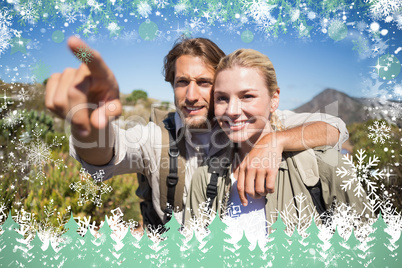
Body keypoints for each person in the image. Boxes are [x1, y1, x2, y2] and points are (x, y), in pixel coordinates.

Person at [45, 37, 348, 229]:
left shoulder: (248, 124)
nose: (191, 95)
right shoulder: (157, 138)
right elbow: (106, 155)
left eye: (204, 82)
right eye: (181, 82)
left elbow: (333, 127)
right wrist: (88, 128)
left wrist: (275, 140)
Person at [187, 49, 365, 244]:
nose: (232, 110)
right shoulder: (204, 179)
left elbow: (368, 250)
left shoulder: (324, 167)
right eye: (222, 98)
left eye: (247, 96)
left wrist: (274, 140)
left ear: (274, 100)